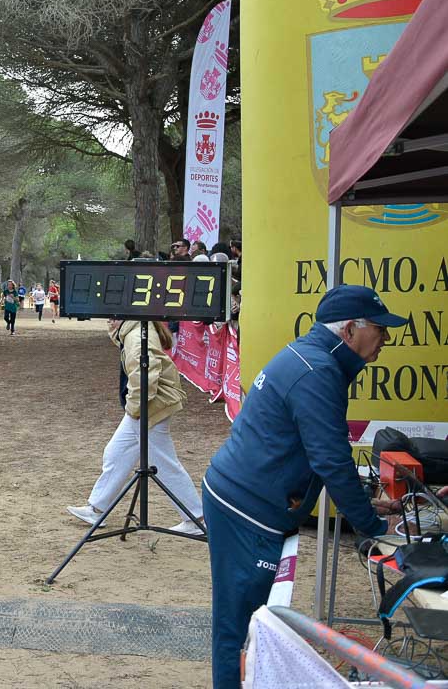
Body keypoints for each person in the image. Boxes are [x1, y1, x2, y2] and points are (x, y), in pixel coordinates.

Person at [203, 285, 402, 689]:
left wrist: (365, 502)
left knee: (248, 622)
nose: (385, 338)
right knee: (240, 626)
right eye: (380, 329)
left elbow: (317, 451)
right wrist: (374, 529)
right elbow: (330, 460)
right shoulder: (319, 371)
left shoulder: (315, 359)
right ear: (349, 330)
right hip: (247, 509)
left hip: (245, 500)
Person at [67, 319, 204, 534]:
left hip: (152, 406)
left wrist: (134, 409)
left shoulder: (137, 336)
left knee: (163, 463)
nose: (109, 319)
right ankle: (96, 508)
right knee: (116, 453)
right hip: (147, 405)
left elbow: (145, 377)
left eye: (113, 315)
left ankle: (196, 518)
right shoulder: (133, 330)